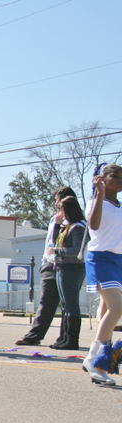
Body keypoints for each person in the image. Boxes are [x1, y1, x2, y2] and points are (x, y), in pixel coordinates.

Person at [15, 187, 79, 347]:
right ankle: (35, 336)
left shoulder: (75, 222)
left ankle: (66, 339)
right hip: (51, 263)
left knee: (66, 303)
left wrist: (57, 226)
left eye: (57, 200)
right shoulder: (55, 219)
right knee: (47, 301)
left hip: (67, 265)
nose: (56, 203)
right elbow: (50, 242)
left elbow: (57, 243)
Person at [82, 163, 122, 386]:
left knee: (108, 310)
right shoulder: (96, 203)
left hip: (119, 260)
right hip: (100, 258)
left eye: (121, 178)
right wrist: (99, 194)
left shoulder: (120, 206)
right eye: (114, 177)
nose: (119, 181)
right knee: (117, 308)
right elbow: (94, 226)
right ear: (102, 179)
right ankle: (94, 360)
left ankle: (99, 363)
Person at [46, 196, 86, 350]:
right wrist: (56, 225)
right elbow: (55, 240)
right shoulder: (66, 226)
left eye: (61, 209)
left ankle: (72, 340)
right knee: (65, 305)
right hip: (62, 266)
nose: (59, 212)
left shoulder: (77, 228)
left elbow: (76, 250)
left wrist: (55, 251)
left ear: (68, 209)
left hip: (73, 269)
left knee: (71, 305)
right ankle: (64, 338)